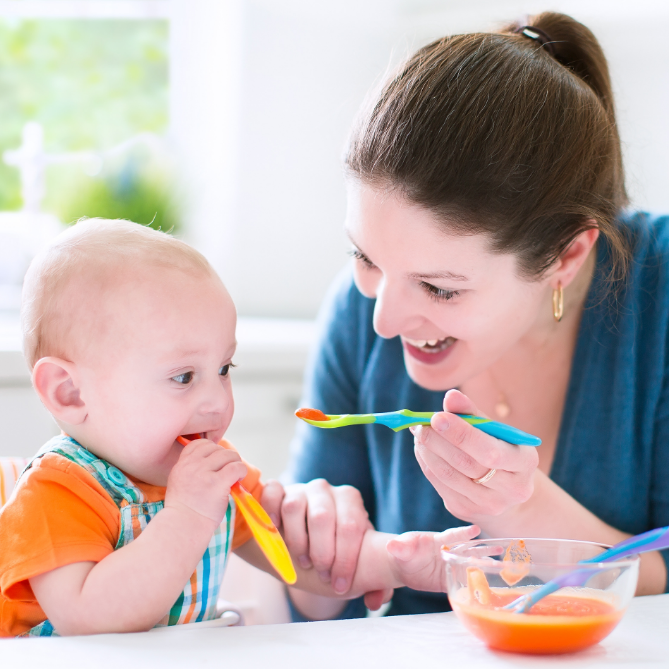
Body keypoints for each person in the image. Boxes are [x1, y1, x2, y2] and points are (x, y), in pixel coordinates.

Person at [282, 11, 669, 621]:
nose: (382, 319)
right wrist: (317, 553)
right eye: (364, 255)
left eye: (438, 288)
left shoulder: (661, 297)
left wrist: (522, 513)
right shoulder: (359, 311)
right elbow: (308, 605)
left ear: (567, 255)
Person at [0, 218, 478, 637]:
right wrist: (187, 515)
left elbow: (302, 561)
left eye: (224, 369)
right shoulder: (54, 494)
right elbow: (90, 619)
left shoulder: (211, 476)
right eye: (183, 377)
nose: (217, 401)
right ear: (69, 393)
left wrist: (396, 559)